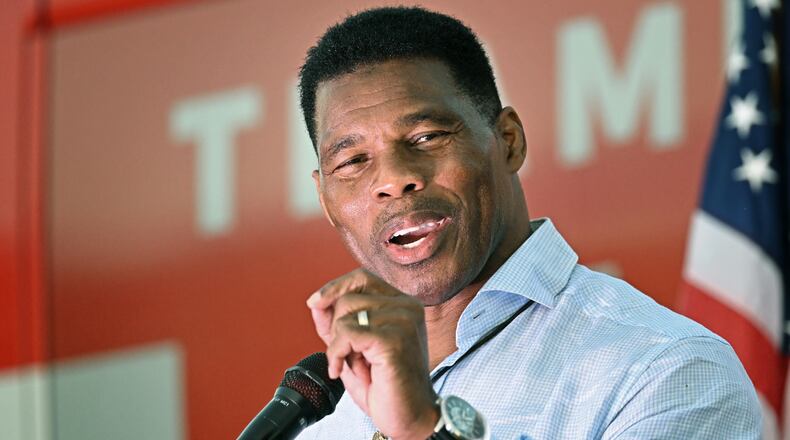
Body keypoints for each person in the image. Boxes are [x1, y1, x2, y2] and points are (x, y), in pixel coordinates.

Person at [296, 6, 761, 440]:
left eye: (427, 136)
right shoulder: (322, 425)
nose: (395, 179)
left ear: (509, 141)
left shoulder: (665, 369)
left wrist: (423, 428)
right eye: (353, 160)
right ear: (326, 200)